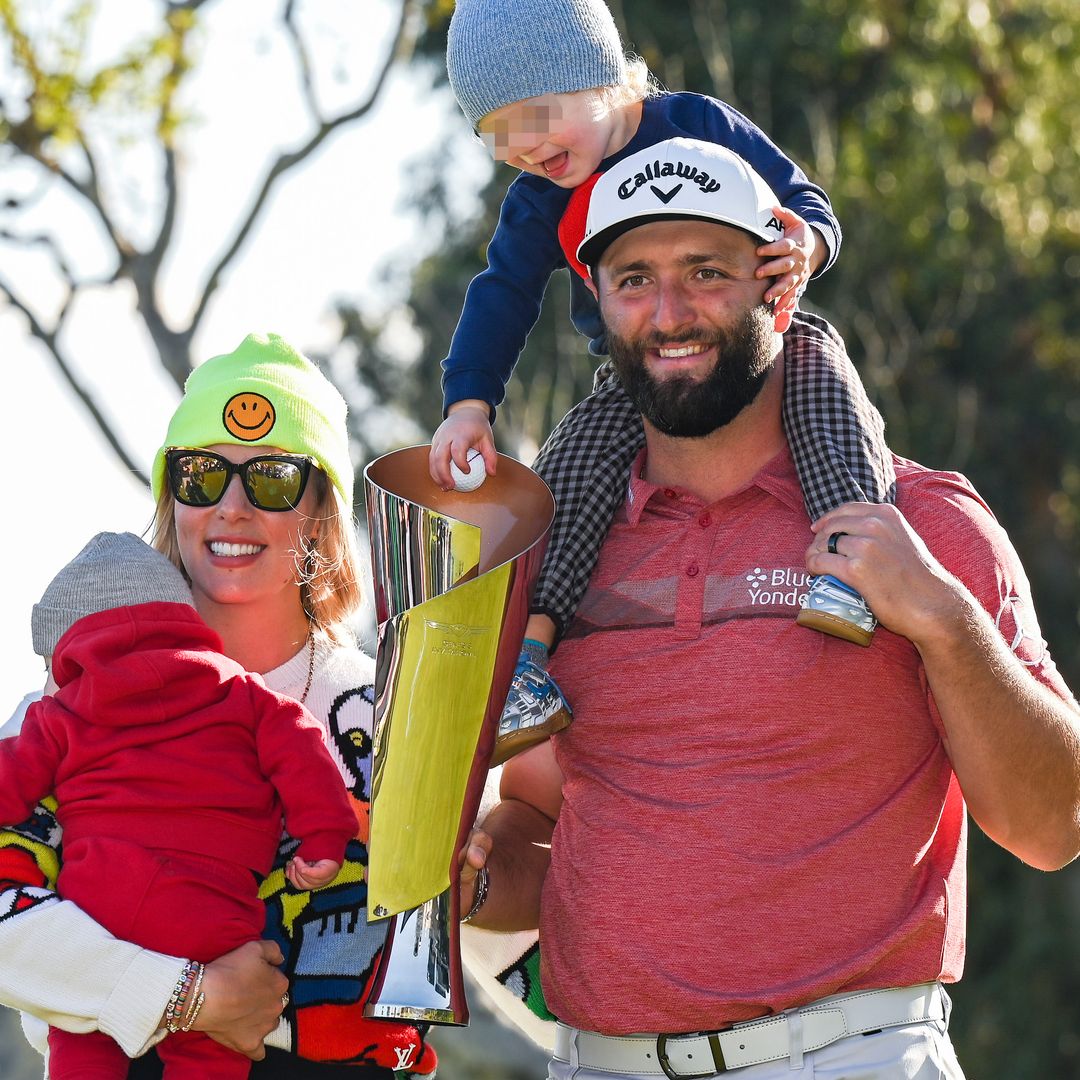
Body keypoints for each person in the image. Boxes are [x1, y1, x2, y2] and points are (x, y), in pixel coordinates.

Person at [456, 139, 1080, 1079]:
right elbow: (547, 826)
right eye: (635, 280)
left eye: (706, 272)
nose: (669, 314)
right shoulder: (553, 558)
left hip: (851, 1060)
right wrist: (468, 879)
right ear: (601, 303)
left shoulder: (922, 524)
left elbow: (1053, 826)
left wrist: (946, 622)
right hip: (596, 1063)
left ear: (776, 287)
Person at [434, 0, 892, 753]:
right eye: (498, 135)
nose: (526, 147)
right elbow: (501, 296)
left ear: (603, 76)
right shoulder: (538, 199)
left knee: (827, 389)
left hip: (762, 333)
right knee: (572, 465)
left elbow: (805, 197)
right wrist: (468, 403)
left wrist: (805, 243)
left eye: (539, 116)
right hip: (636, 376)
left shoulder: (697, 125)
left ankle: (847, 562)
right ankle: (526, 656)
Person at [0, 333, 438, 1079]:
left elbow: (495, 941)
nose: (231, 507)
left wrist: (478, 877)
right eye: (200, 474)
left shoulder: (389, 711)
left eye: (271, 478)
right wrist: (187, 999)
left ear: (320, 510)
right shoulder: (68, 699)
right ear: (171, 496)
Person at [0, 530, 360, 1079]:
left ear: (68, 647)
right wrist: (324, 837)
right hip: (216, 921)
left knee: (81, 1039)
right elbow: (304, 750)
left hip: (102, 911)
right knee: (214, 1053)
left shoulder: (61, 713)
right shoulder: (243, 691)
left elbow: (11, 778)